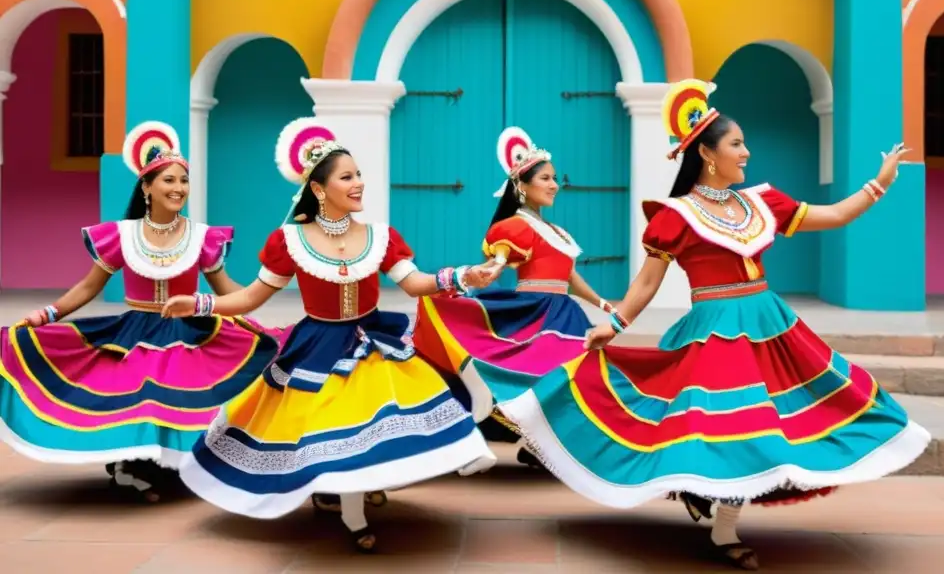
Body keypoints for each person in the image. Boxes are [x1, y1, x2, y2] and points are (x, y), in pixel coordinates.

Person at [500, 80, 932, 571]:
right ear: (707, 154)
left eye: (744, 143)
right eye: (736, 144)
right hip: (715, 333)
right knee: (736, 425)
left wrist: (881, 182)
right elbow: (646, 284)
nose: (746, 152)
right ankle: (724, 526)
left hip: (770, 327)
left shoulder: (762, 202)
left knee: (792, 416)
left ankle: (716, 512)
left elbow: (833, 214)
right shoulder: (675, 216)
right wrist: (614, 324)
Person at [162, 118, 497, 552]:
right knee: (333, 425)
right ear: (320, 190)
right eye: (347, 177)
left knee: (379, 417)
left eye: (358, 175)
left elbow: (416, 283)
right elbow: (249, 299)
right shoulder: (290, 241)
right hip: (318, 348)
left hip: (375, 342)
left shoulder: (380, 236)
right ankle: (349, 506)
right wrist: (200, 303)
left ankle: (358, 489)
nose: (359, 183)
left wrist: (467, 275)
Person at [0, 121, 282, 503]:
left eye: (183, 180)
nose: (179, 188)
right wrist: (47, 314)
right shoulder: (121, 235)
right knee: (139, 390)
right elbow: (89, 286)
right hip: (136, 331)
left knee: (196, 389)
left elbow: (227, 290)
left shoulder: (202, 238)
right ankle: (132, 464)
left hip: (191, 330)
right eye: (169, 180)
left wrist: (261, 298)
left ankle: (173, 465)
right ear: (148, 187)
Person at [414, 127, 614, 469]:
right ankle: (483, 434)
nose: (554, 185)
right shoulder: (515, 226)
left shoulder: (558, 232)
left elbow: (569, 277)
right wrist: (481, 273)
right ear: (522, 186)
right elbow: (499, 262)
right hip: (533, 312)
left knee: (581, 372)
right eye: (546, 179)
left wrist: (605, 305)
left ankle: (538, 443)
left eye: (555, 178)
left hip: (564, 313)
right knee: (542, 373)